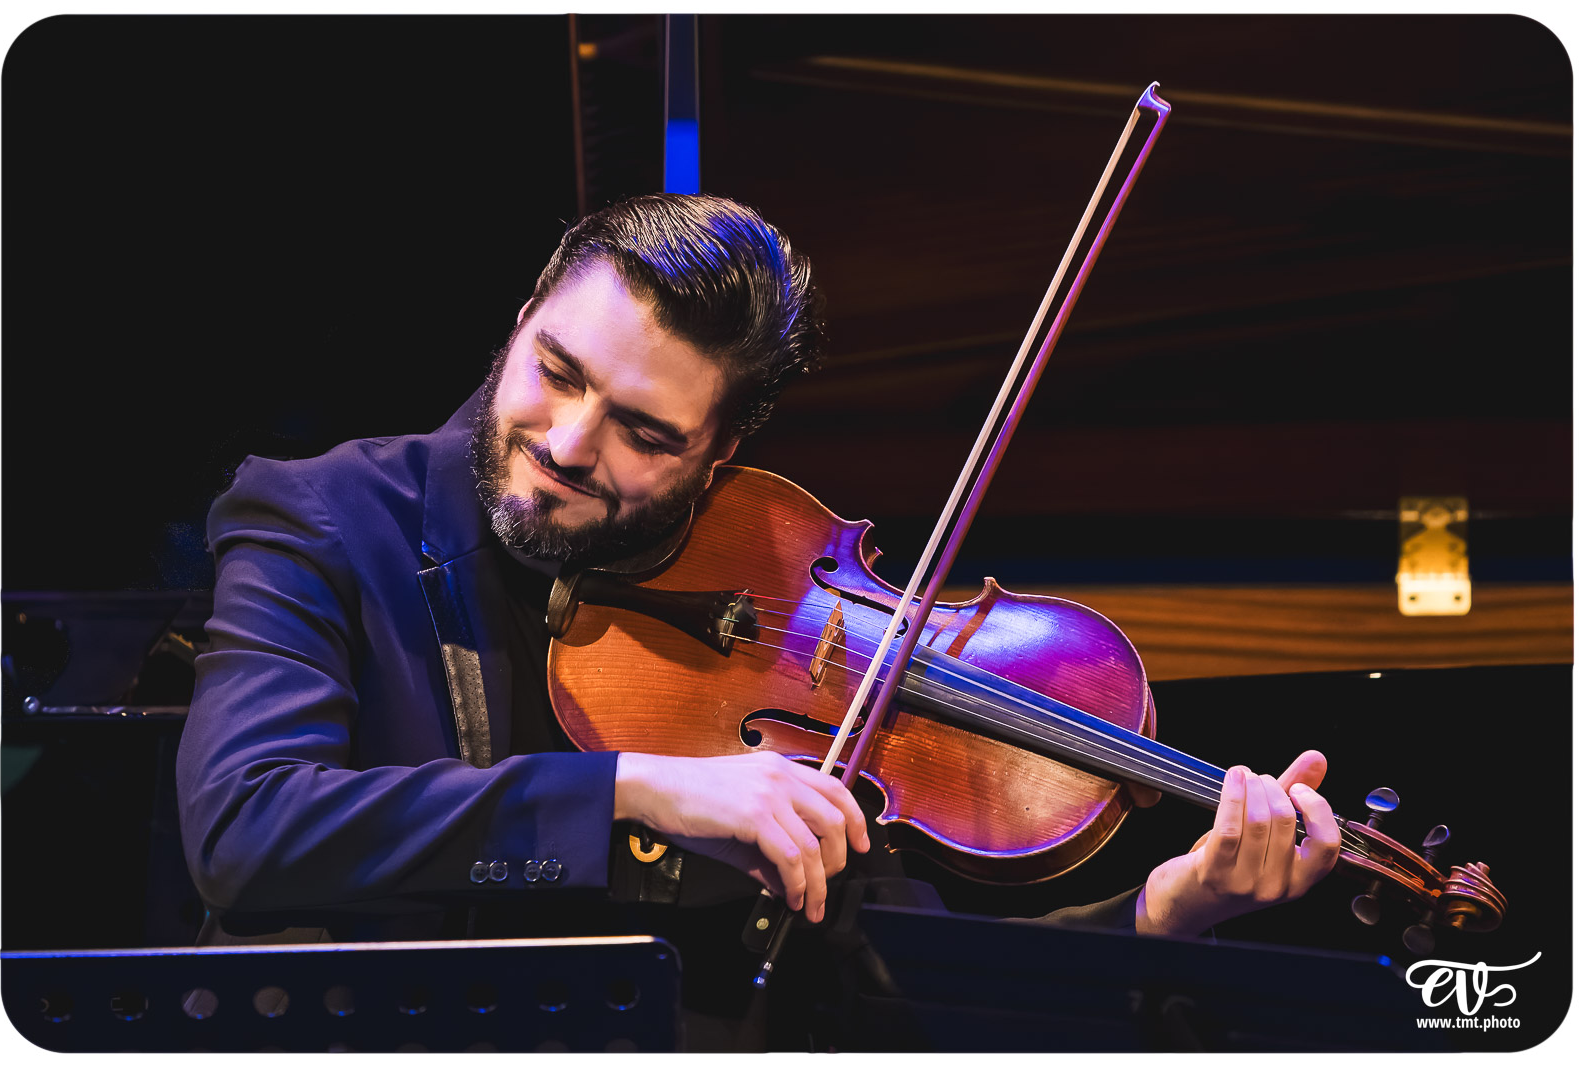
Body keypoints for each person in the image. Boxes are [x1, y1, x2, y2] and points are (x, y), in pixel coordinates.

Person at [177, 193, 1340, 1048]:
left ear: (721, 450)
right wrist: (637, 786)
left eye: (646, 433)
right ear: (525, 315)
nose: (572, 442)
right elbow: (246, 826)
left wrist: (1164, 912)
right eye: (556, 370)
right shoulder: (325, 516)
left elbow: (904, 986)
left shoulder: (782, 629)